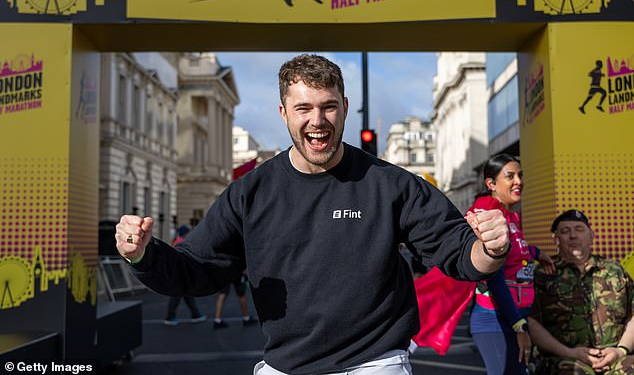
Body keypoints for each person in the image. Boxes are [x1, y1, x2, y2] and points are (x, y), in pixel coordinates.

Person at [115, 53, 511, 375]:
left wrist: (489, 249)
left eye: (329, 107)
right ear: (283, 113)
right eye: (303, 107)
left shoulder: (390, 184)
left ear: (345, 109)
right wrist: (142, 255)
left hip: (374, 363)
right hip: (284, 366)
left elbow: (455, 251)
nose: (317, 121)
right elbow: (198, 269)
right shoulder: (250, 193)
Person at [467, 154, 554, 375]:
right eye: (510, 176)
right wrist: (519, 325)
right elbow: (494, 277)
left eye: (520, 175)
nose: (519, 181)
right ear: (491, 184)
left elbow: (517, 250)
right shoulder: (488, 216)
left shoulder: (511, 216)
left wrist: (537, 253)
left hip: (516, 317)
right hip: (496, 320)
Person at [528, 209, 634, 375]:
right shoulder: (542, 274)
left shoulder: (614, 270)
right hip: (565, 358)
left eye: (579, 229)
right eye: (565, 231)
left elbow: (633, 314)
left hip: (615, 357)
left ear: (591, 236)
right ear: (556, 239)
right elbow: (531, 321)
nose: (573, 236)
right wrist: (567, 352)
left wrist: (620, 350)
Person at [163, 225, 207, 325]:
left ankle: (195, 314)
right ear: (185, 233)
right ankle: (170, 317)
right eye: (188, 232)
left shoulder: (178, 241)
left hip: (179, 274)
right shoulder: (180, 242)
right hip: (179, 274)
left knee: (187, 294)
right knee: (177, 295)